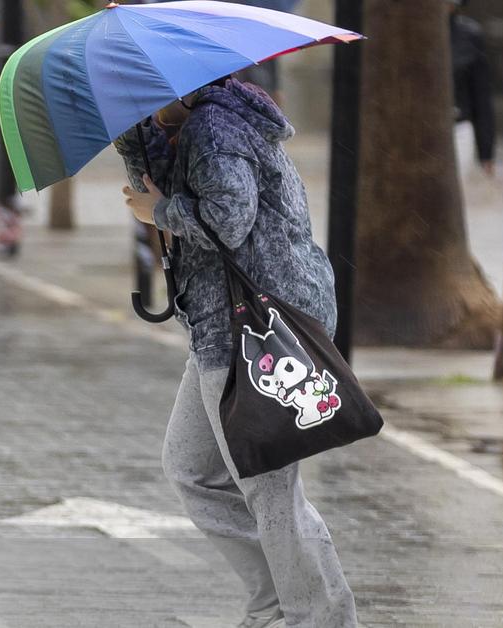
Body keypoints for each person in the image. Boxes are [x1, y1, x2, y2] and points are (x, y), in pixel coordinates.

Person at [115, 77, 356, 628]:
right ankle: (277, 607)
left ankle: (318, 619)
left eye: (140, 94)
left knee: (270, 488)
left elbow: (229, 218)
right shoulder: (184, 128)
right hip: (218, 325)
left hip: (256, 328)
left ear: (178, 84)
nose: (138, 108)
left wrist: (163, 213)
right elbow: (162, 191)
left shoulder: (215, 129)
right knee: (193, 470)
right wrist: (135, 144)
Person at [449, 0, 496, 179]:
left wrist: (486, 150)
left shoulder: (469, 35)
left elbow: (481, 94)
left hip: (458, 124)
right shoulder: (412, 34)